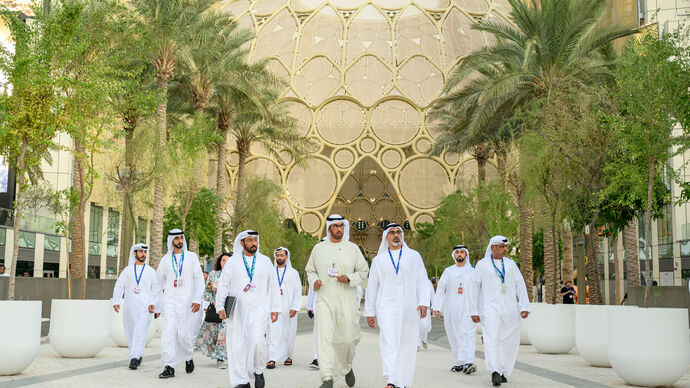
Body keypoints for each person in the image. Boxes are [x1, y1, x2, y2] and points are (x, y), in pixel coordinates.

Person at [305, 214, 369, 388]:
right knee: (323, 338)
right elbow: (310, 270)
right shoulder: (318, 249)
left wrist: (348, 278)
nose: (339, 229)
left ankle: (347, 366)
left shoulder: (352, 249)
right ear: (329, 228)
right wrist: (314, 281)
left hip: (346, 300)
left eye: (341, 226)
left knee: (347, 339)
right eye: (335, 226)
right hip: (324, 299)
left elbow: (364, 272)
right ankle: (327, 377)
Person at [364, 223, 430, 388]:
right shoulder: (379, 260)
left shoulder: (414, 256)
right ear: (386, 237)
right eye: (392, 232)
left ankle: (403, 381)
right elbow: (372, 287)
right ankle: (391, 380)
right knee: (389, 343)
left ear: (402, 235)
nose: (395, 235)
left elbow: (423, 281)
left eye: (398, 232)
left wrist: (423, 302)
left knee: (407, 345)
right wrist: (369, 312)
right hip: (387, 309)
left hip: (410, 308)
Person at [216, 230, 281, 388]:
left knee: (258, 341)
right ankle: (241, 380)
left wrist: (275, 308)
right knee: (237, 345)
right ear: (242, 243)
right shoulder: (233, 262)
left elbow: (273, 286)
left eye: (255, 240)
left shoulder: (265, 261)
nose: (253, 243)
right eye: (250, 240)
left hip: (260, 308)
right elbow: (224, 284)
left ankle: (258, 370)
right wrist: (219, 306)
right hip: (238, 309)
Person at [469, 236, 530, 387]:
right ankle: (494, 371)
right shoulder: (482, 265)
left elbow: (520, 285)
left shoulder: (510, 265)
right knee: (491, 339)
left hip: (510, 310)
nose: (505, 249)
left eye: (505, 247)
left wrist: (524, 306)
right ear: (493, 247)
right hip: (490, 309)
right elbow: (473, 289)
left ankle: (503, 370)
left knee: (508, 340)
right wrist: (473, 310)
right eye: (502, 247)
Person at [153, 229, 205, 379]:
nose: (179, 241)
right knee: (168, 334)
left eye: (181, 238)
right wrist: (154, 303)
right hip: (170, 302)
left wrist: (196, 299)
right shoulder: (165, 260)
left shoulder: (191, 257)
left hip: (188, 303)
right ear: (171, 241)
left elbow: (199, 280)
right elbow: (157, 283)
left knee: (184, 336)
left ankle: (188, 356)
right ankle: (169, 366)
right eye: (176, 238)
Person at [112, 243, 157, 370]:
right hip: (129, 306)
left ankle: (133, 358)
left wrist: (156, 306)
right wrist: (116, 301)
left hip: (146, 307)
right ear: (135, 253)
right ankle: (137, 354)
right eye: (141, 252)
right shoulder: (127, 270)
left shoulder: (151, 271)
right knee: (131, 332)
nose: (143, 254)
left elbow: (156, 289)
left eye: (145, 252)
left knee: (140, 331)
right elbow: (120, 285)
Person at [433, 245, 477, 374]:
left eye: (462, 252)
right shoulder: (448, 271)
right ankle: (460, 361)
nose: (459, 254)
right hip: (452, 309)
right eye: (457, 252)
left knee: (467, 334)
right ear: (454, 255)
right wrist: (436, 306)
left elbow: (478, 291)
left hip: (468, 309)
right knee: (454, 334)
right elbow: (440, 290)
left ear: (466, 255)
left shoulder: (473, 272)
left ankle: (469, 361)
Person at [195, 252, 232, 369]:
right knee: (215, 334)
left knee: (224, 333)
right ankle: (218, 356)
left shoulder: (236, 276)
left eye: (228, 260)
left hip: (230, 308)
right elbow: (206, 292)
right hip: (216, 308)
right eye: (223, 260)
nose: (225, 263)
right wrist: (214, 301)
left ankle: (221, 358)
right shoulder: (213, 274)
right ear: (219, 262)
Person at [267, 247, 302, 369]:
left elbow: (298, 291)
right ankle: (272, 358)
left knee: (289, 333)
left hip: (289, 308)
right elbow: (266, 291)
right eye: (277, 256)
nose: (279, 258)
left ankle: (288, 356)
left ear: (287, 257)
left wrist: (295, 307)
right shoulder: (270, 272)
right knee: (273, 333)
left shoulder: (293, 273)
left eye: (281, 255)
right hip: (273, 308)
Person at [418, 279, 434, 350]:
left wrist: (434, 306)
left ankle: (424, 340)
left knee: (426, 327)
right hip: (416, 307)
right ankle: (417, 344)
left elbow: (432, 294)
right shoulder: (411, 279)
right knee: (420, 325)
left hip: (426, 307)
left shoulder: (427, 282)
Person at [306, 284, 319, 369]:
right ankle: (317, 358)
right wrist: (309, 306)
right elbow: (312, 286)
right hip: (318, 305)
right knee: (317, 332)